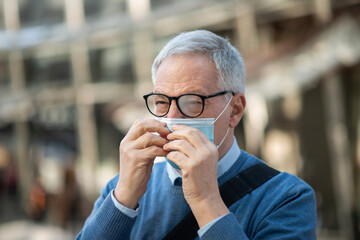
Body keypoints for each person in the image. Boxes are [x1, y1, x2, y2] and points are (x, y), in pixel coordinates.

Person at [76, 30, 316, 239]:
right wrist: (124, 198)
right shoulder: (123, 187)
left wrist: (206, 201)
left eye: (192, 102)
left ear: (235, 110)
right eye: (161, 102)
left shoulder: (287, 197)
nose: (172, 117)